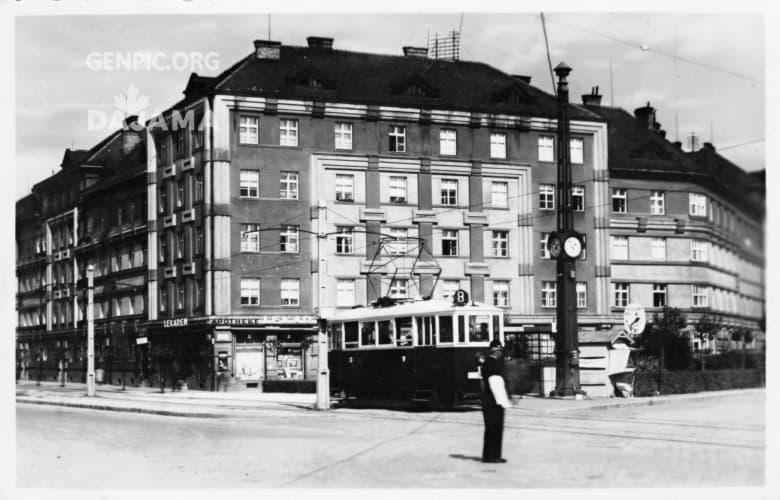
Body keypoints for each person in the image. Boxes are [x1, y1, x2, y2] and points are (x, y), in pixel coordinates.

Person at [480, 339, 511, 463]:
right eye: (498, 350)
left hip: (493, 400)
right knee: (493, 428)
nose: (500, 353)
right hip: (493, 400)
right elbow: (495, 383)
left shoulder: (492, 362)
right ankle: (491, 456)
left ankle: (493, 455)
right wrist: (503, 400)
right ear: (495, 350)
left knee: (496, 428)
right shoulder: (491, 363)